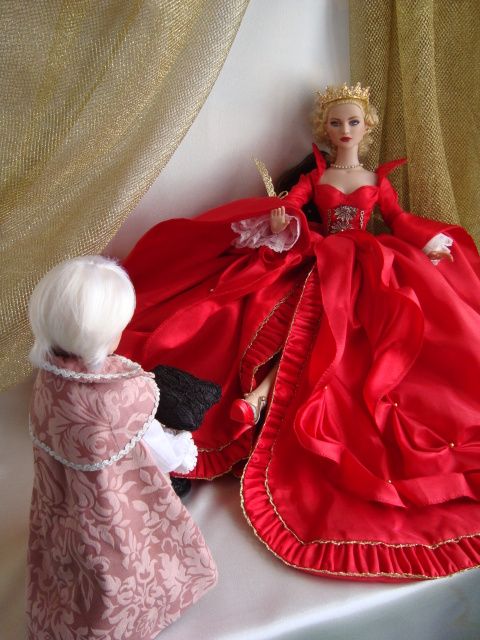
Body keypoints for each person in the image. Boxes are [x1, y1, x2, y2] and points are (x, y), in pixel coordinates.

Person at [118, 84, 480, 580]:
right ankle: (255, 399)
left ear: (367, 127)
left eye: (353, 122)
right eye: (336, 122)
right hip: (320, 254)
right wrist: (280, 216)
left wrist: (430, 240)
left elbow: (397, 219)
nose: (345, 130)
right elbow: (293, 203)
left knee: (357, 341)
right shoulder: (317, 175)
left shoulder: (376, 179)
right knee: (277, 318)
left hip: (365, 263)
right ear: (324, 129)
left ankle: (263, 399)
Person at [26, 256, 217, 640]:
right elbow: (160, 451)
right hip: (115, 511)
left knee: (68, 557)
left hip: (63, 503)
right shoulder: (123, 393)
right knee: (127, 559)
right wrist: (182, 451)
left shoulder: (48, 382)